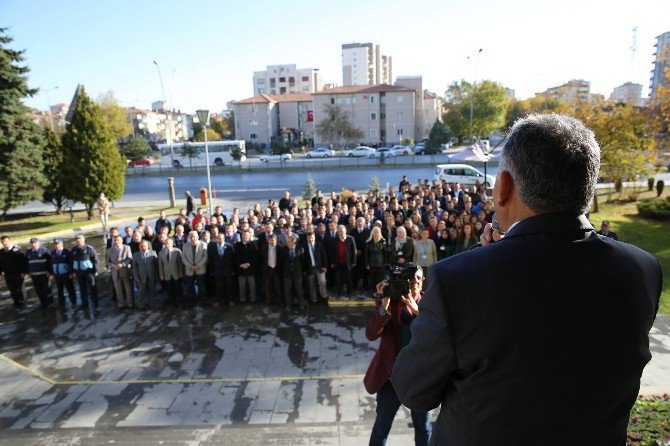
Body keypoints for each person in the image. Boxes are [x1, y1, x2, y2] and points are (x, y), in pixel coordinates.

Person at [391, 114, 662, 445]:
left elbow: (413, 389)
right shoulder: (643, 270)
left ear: (503, 186)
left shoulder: (458, 281)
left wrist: (484, 271)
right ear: (588, 189)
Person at [365, 268, 432, 446]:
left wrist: (418, 311)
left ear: (423, 280)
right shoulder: (393, 302)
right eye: (410, 278)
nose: (414, 281)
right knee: (381, 429)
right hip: (391, 379)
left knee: (423, 428)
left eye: (418, 278)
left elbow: (438, 335)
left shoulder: (430, 303)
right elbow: (372, 334)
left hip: (418, 379)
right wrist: (383, 304)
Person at [71, 234, 100, 309]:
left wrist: (95, 270)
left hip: (89, 272)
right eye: (77, 239)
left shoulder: (89, 249)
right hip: (79, 272)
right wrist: (73, 271)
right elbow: (72, 261)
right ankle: (85, 304)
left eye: (79, 238)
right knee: (82, 289)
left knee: (92, 288)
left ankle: (95, 304)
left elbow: (95, 260)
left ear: (84, 239)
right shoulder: (74, 249)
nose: (78, 240)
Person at [278, 235, 306, 309]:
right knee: (287, 290)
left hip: (297, 273)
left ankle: (301, 304)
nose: (287, 243)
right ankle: (288, 305)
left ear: (294, 242)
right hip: (287, 273)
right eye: (287, 241)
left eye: (289, 241)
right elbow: (281, 261)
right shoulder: (284, 249)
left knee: (299, 289)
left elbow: (303, 261)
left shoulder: (300, 249)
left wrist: (303, 271)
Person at [106, 235, 134, 309]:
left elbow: (129, 258)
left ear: (122, 240)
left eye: (118, 240)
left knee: (128, 288)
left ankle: (130, 303)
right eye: (115, 240)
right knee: (118, 289)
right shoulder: (109, 250)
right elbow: (107, 261)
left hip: (124, 271)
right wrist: (113, 265)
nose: (116, 242)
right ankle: (120, 304)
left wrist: (123, 264)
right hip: (115, 272)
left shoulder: (127, 248)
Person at [182, 230, 208, 306]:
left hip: (200, 269)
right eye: (191, 237)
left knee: (201, 286)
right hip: (189, 269)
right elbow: (183, 257)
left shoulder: (203, 244)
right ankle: (192, 301)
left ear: (197, 236)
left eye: (194, 236)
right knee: (190, 287)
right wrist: (190, 266)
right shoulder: (185, 245)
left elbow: (205, 257)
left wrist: (198, 265)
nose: (193, 238)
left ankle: (203, 301)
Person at [0, 236, 28, 308]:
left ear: (9, 241)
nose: (4, 243)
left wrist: (24, 272)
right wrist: (0, 274)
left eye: (6, 241)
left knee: (21, 289)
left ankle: (24, 302)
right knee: (12, 290)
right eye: (3, 241)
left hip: (18, 273)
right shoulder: (1, 252)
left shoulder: (17, 250)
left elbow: (23, 261)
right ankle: (17, 303)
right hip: (8, 274)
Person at [26, 238, 53, 308]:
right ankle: (43, 304)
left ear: (38, 243)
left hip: (44, 274)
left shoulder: (44, 251)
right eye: (32, 243)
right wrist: (28, 272)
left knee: (47, 289)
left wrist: (49, 272)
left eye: (35, 243)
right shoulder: (28, 252)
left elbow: (49, 262)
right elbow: (26, 263)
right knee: (38, 290)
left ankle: (50, 303)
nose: (33, 244)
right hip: (34, 275)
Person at [330, 225, 357, 298]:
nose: (340, 233)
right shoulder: (334, 239)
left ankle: (349, 293)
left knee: (348, 279)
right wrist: (332, 262)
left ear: (345, 231)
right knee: (339, 279)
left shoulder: (350, 239)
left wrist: (354, 261)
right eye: (339, 231)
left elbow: (354, 251)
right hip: (338, 262)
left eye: (342, 231)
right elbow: (332, 252)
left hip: (347, 262)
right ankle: (339, 293)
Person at [50, 238, 77, 308]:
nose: (56, 245)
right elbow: (51, 263)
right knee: (59, 290)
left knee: (70, 289)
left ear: (61, 244)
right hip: (57, 275)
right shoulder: (53, 253)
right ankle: (61, 304)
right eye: (55, 244)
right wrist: (52, 273)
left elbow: (71, 263)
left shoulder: (67, 252)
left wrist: (72, 272)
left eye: (58, 244)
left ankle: (73, 302)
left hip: (66, 274)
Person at [132, 240, 158, 309]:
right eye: (141, 246)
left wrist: (156, 275)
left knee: (152, 290)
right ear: (139, 246)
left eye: (145, 246)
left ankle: (152, 303)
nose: (143, 247)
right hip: (141, 276)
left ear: (147, 246)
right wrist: (136, 277)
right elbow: (134, 267)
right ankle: (140, 303)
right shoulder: (135, 255)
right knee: (141, 291)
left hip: (151, 275)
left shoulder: (153, 253)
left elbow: (156, 265)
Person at [303, 231, 328, 303]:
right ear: (306, 238)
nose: (310, 239)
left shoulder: (319, 244)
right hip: (310, 268)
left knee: (322, 282)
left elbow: (324, 256)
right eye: (308, 238)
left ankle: (324, 296)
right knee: (312, 284)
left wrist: (325, 266)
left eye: (311, 238)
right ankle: (314, 299)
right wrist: (305, 270)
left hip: (320, 268)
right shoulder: (304, 246)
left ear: (314, 237)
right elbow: (303, 259)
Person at [234, 229, 258, 304]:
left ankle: (253, 299)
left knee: (252, 286)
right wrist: (241, 265)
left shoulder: (253, 244)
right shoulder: (237, 245)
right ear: (241, 236)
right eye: (243, 235)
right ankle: (242, 299)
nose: (245, 236)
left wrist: (248, 264)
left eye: (246, 235)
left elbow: (256, 257)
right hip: (241, 269)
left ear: (250, 236)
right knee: (242, 286)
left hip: (251, 269)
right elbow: (235, 257)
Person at [159, 237, 184, 307]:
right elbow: (160, 265)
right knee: (169, 289)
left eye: (168, 244)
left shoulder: (177, 251)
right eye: (166, 243)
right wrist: (161, 274)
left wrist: (181, 273)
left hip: (176, 273)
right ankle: (171, 301)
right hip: (167, 274)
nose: (167, 245)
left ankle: (180, 301)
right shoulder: (161, 253)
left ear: (172, 244)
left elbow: (180, 263)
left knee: (178, 288)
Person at [364, 227, 387, 294]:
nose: (376, 233)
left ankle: (379, 292)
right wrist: (367, 264)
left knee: (380, 279)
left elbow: (385, 254)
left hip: (381, 264)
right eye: (375, 232)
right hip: (372, 264)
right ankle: (373, 292)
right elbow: (366, 255)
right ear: (372, 233)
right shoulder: (368, 242)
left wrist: (385, 264)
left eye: (377, 232)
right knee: (372, 279)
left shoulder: (383, 242)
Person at [261, 233, 282, 305]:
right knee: (268, 285)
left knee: (278, 285)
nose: (271, 242)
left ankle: (280, 299)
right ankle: (268, 300)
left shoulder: (280, 248)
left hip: (277, 269)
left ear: (276, 240)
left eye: (273, 240)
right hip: (268, 269)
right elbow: (261, 259)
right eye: (270, 240)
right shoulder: (264, 248)